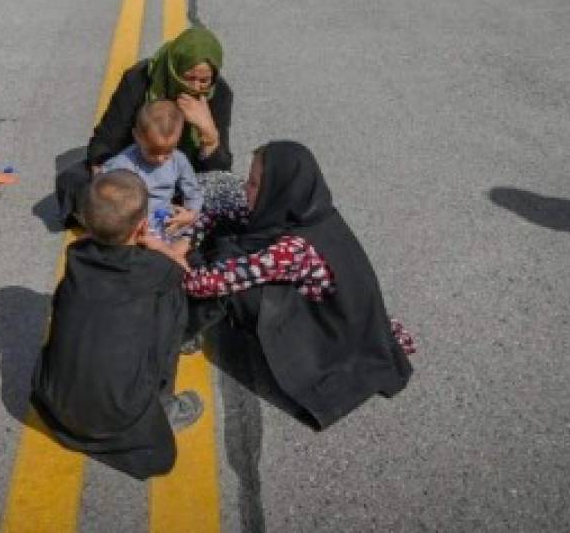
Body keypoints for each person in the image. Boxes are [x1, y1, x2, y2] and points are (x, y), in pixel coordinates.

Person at [174, 142, 412, 430]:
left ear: (278, 190)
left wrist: (174, 259)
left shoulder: (294, 250)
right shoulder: (313, 213)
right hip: (346, 318)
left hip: (328, 338)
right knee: (230, 236)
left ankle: (182, 330)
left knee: (228, 277)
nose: (245, 189)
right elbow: (230, 216)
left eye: (253, 184)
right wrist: (194, 233)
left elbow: (208, 283)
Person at [31, 170, 202, 480]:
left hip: (56, 402)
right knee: (172, 298)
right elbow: (183, 269)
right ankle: (163, 403)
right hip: (117, 414)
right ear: (141, 226)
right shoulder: (153, 269)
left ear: (85, 220)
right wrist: (155, 244)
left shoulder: (76, 258)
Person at [55, 25, 232, 226]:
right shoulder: (139, 79)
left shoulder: (219, 94)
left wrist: (209, 133)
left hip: (183, 178)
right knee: (72, 181)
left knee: (228, 192)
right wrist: (111, 191)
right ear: (173, 68)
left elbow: (220, 168)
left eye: (203, 81)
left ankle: (169, 222)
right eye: (188, 77)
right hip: (133, 172)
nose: (195, 87)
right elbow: (105, 141)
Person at [102, 100, 203, 240]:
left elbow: (193, 191)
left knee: (198, 233)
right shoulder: (124, 164)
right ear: (137, 136)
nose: (161, 159)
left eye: (168, 152)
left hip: (167, 224)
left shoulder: (178, 160)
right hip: (133, 227)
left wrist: (190, 214)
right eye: (153, 152)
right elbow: (103, 190)